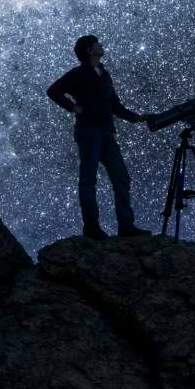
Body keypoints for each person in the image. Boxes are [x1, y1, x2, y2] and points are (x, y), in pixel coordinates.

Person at [46, 35, 153, 240]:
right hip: (88, 132)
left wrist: (135, 118)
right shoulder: (78, 74)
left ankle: (126, 226)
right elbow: (53, 91)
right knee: (89, 180)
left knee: (120, 176)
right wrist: (73, 107)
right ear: (89, 50)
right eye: (97, 43)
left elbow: (114, 104)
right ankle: (92, 228)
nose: (102, 45)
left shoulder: (104, 73)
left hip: (106, 132)